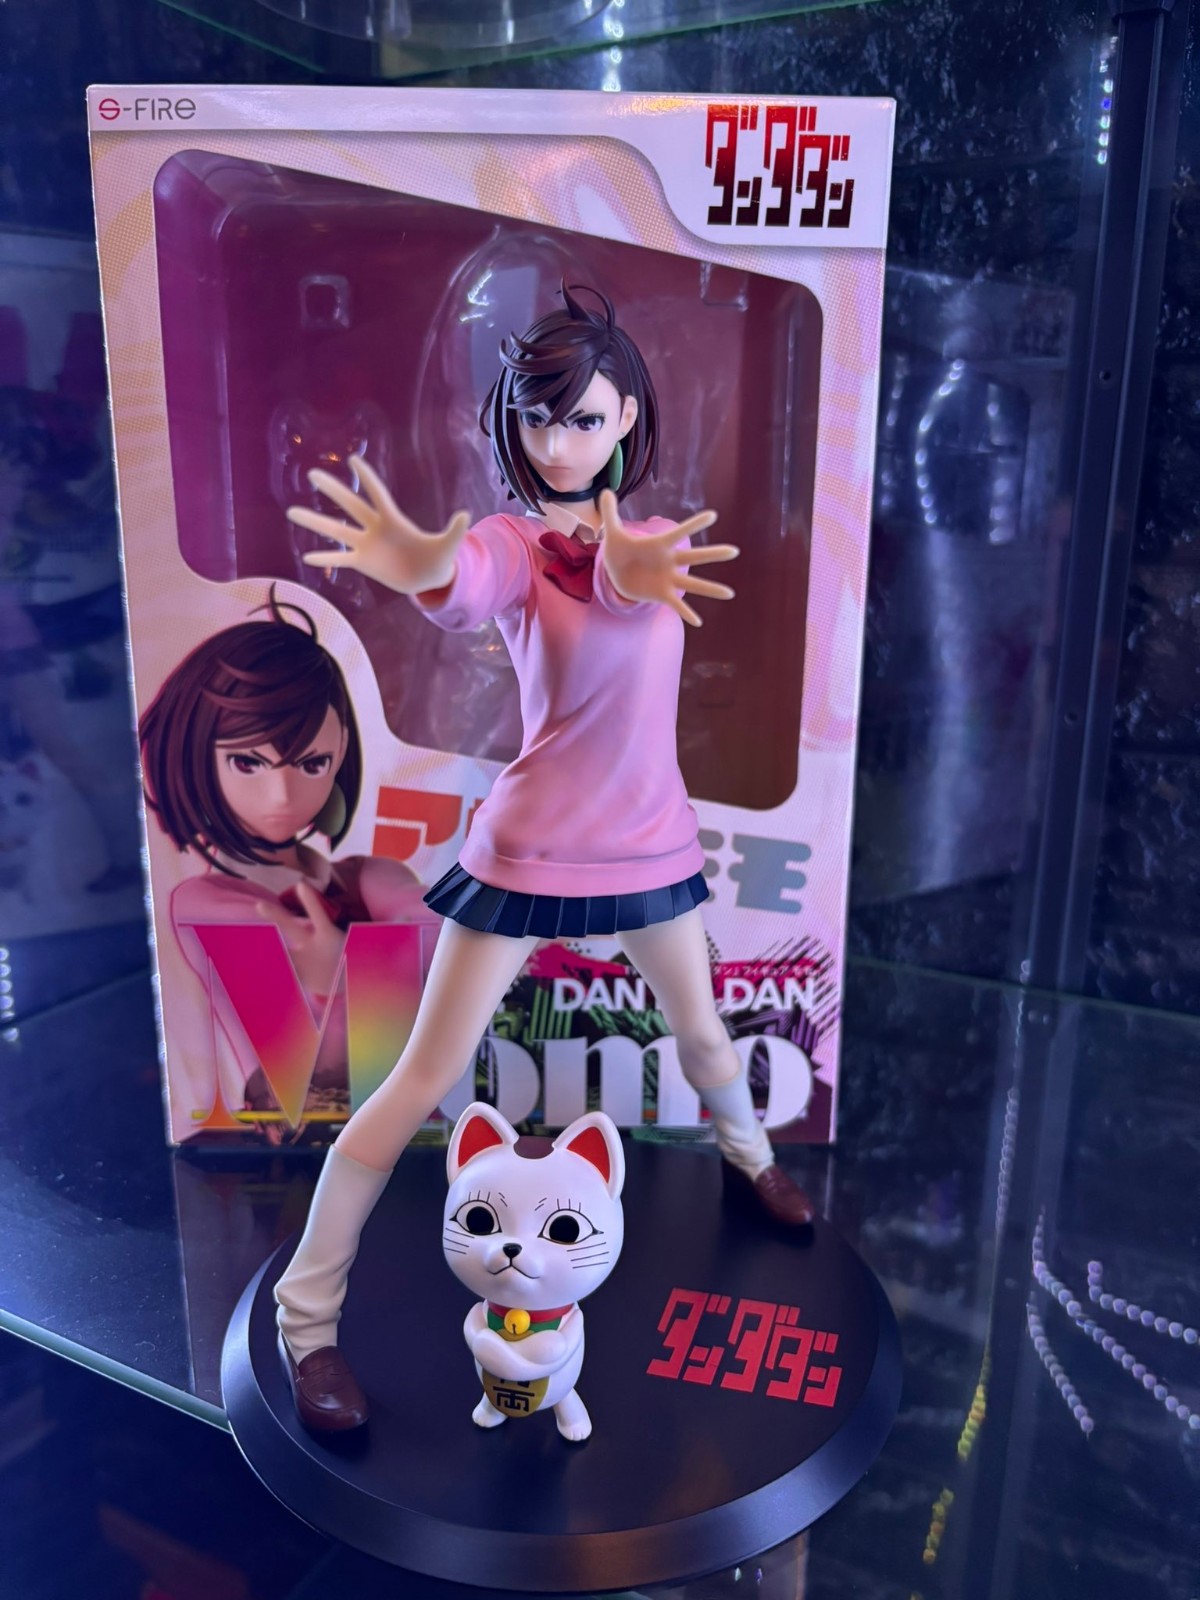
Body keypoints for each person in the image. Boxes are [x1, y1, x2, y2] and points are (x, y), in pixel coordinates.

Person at [275, 284, 814, 1433]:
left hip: (649, 843)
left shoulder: (653, 546)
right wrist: (420, 558)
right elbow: (469, 579)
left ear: (627, 419)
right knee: (416, 1081)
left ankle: (753, 1159)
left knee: (705, 1033)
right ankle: (305, 1321)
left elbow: (628, 573)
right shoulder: (511, 544)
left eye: (582, 417)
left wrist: (631, 568)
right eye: (536, 417)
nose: (557, 441)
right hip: (526, 854)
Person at [138, 591, 423, 1127]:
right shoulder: (209, 903)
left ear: (340, 751)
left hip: (404, 1123)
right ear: (195, 753)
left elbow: (450, 940)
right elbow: (308, 1072)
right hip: (296, 1133)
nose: (283, 796)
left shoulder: (370, 875)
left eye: (312, 763)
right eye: (247, 762)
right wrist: (342, 979)